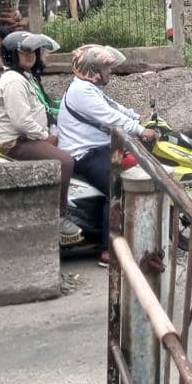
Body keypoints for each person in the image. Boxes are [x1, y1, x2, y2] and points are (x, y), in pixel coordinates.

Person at [57, 44, 158, 267]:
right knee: (117, 188)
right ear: (93, 71)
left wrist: (136, 116)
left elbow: (114, 107)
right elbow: (109, 117)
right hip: (84, 153)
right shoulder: (81, 92)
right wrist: (140, 131)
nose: (109, 72)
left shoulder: (88, 88)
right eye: (106, 69)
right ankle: (109, 251)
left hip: (99, 147)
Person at [0, 31, 82, 245]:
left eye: (33, 51)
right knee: (65, 161)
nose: (30, 55)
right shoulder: (14, 80)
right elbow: (21, 121)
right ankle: (60, 216)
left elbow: (43, 107)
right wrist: (45, 137)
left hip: (30, 137)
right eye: (24, 52)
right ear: (12, 55)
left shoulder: (27, 76)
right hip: (16, 142)